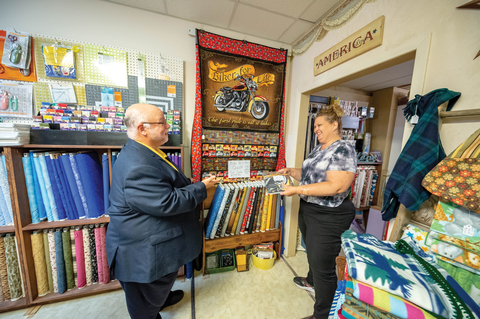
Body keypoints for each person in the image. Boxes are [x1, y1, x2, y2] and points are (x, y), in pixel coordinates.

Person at [106, 103, 218, 319]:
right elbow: (167, 201)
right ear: (142, 129)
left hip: (154, 243)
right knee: (144, 306)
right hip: (143, 253)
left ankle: (161, 300)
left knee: (156, 290)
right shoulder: (138, 165)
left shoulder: (143, 151)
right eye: (162, 122)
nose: (169, 126)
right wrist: (202, 187)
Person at [278, 104, 356, 319]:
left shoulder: (343, 149)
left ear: (334, 125)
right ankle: (311, 282)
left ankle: (323, 314)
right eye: (315, 126)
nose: (316, 129)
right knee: (311, 250)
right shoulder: (320, 148)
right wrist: (291, 172)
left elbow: (337, 186)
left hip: (329, 214)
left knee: (324, 267)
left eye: (319, 125)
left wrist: (296, 189)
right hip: (310, 208)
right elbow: (310, 173)